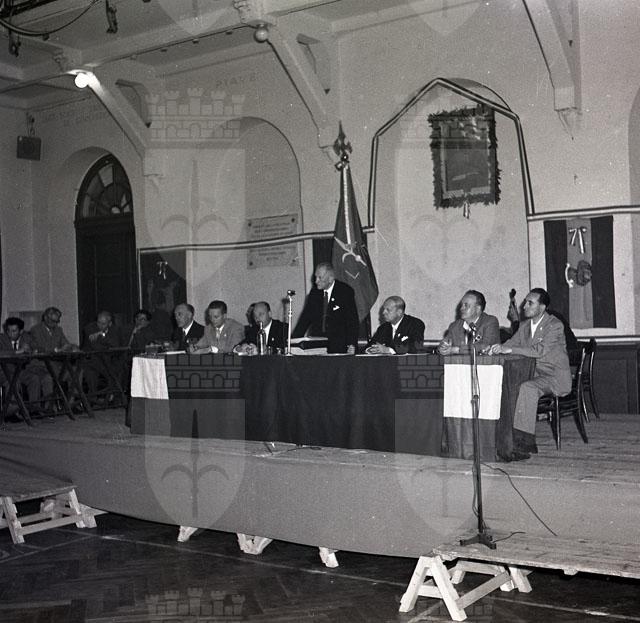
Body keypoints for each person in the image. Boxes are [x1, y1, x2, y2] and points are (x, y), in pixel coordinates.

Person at [486, 288, 572, 460]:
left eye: (530, 303)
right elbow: (511, 343)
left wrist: (510, 349)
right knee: (511, 386)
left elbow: (539, 350)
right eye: (525, 302)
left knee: (527, 388)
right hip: (534, 373)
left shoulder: (555, 325)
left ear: (542, 307)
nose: (524, 306)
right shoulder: (525, 326)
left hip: (555, 377)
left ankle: (523, 443)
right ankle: (506, 439)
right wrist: (495, 349)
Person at [293, 262, 359, 354]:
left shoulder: (345, 291)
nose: (316, 281)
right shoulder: (314, 294)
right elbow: (304, 320)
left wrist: (352, 344)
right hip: (318, 345)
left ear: (330, 279)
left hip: (339, 346)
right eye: (315, 277)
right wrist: (293, 343)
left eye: (320, 277)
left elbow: (352, 321)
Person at [0, 317, 52, 408]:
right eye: (8, 330)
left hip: (20, 371)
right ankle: (12, 412)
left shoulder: (26, 337)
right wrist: (16, 352)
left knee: (34, 379)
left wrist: (33, 350)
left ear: (21, 331)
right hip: (4, 372)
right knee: (14, 382)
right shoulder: (1, 338)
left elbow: (38, 348)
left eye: (14, 331)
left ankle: (34, 408)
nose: (10, 334)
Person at [438, 290, 500, 355]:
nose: (461, 308)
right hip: (459, 361)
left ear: (478, 309)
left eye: (466, 305)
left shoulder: (490, 322)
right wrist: (442, 348)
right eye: (461, 305)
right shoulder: (454, 326)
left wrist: (457, 350)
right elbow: (444, 344)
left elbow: (486, 347)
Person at [81, 311, 123, 402]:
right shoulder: (89, 328)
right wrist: (105, 338)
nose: (100, 325)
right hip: (91, 359)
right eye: (98, 322)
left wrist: (101, 334)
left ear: (110, 323)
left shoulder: (115, 329)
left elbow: (116, 344)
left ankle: (113, 397)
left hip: (108, 360)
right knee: (94, 373)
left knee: (120, 367)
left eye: (103, 324)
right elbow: (96, 346)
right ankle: (96, 398)